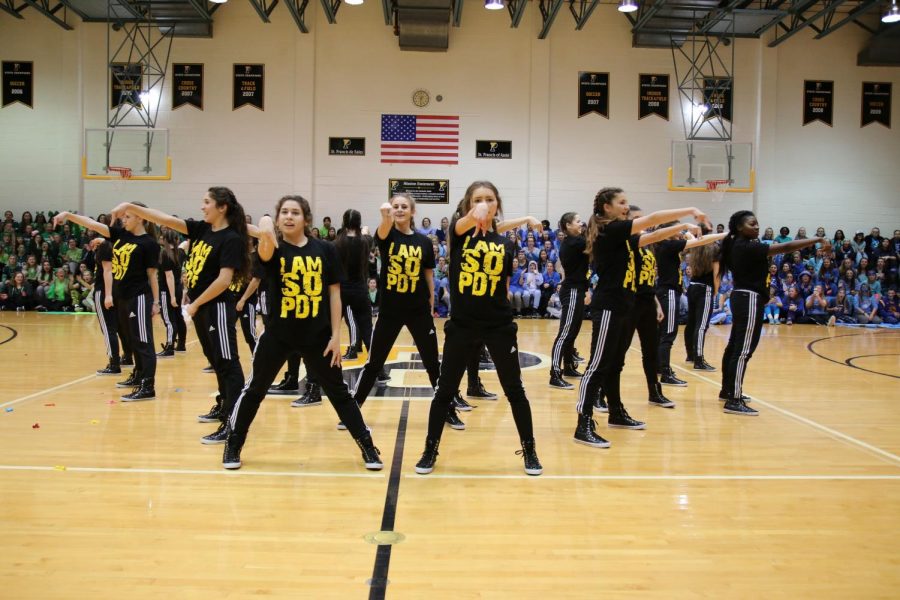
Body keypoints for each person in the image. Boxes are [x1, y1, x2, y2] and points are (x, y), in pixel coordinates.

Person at [223, 196, 382, 471]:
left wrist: (336, 336)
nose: (288, 216)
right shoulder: (272, 249)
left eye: (295, 212)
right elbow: (263, 240)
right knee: (254, 390)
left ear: (306, 219)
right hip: (277, 335)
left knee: (339, 393)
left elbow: (334, 294)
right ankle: (234, 443)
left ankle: (368, 446)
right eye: (283, 212)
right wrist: (263, 223)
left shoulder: (325, 249)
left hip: (317, 336)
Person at [414, 181, 543, 476]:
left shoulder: (506, 243)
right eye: (478, 199)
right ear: (468, 204)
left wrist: (521, 220)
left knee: (515, 390)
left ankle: (530, 450)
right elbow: (465, 223)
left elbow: (504, 281)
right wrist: (476, 214)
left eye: (489, 199)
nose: (484, 203)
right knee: (444, 390)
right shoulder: (458, 234)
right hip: (463, 325)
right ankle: (430, 448)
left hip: (499, 326)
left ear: (497, 204)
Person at [574, 188, 708, 448]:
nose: (626, 207)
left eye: (626, 203)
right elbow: (654, 220)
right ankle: (583, 423)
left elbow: (655, 234)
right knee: (598, 366)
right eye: (621, 202)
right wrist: (689, 211)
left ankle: (616, 412)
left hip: (624, 307)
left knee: (614, 365)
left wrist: (681, 227)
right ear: (606, 207)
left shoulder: (623, 237)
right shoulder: (609, 231)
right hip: (609, 307)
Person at [110, 188, 249, 436]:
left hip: (217, 307)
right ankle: (224, 405)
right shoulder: (202, 229)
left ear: (222, 207)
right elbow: (164, 219)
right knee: (216, 360)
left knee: (228, 363)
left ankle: (233, 421)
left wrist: (195, 304)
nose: (202, 206)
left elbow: (224, 280)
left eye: (207, 202)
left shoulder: (232, 239)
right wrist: (131, 206)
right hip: (202, 309)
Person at [351, 193, 465, 431]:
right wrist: (385, 215)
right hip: (390, 312)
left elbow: (429, 276)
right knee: (374, 363)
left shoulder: (424, 243)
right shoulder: (386, 235)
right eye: (395, 206)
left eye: (404, 206)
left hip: (418, 311)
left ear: (413, 212)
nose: (399, 209)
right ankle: (352, 410)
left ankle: (447, 411)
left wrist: (432, 304)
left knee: (433, 364)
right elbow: (382, 229)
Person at [718, 211, 830, 415]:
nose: (757, 227)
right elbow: (786, 247)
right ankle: (733, 400)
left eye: (757, 223)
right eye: (752, 224)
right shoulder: (748, 246)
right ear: (740, 227)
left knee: (734, 346)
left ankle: (728, 391)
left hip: (741, 297)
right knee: (743, 350)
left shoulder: (735, 244)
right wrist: (818, 239)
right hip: (749, 298)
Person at [54, 206, 160, 401]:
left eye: (128, 217)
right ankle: (138, 375)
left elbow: (152, 275)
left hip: (139, 297)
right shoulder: (121, 235)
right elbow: (93, 224)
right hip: (123, 298)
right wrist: (68, 215)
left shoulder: (149, 244)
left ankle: (148, 386)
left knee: (143, 342)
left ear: (141, 219)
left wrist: (156, 302)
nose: (123, 220)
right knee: (132, 339)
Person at [548, 212, 589, 388]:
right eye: (578, 221)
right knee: (565, 333)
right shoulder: (574, 242)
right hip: (572, 290)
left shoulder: (577, 241)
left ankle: (569, 367)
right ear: (568, 225)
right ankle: (555, 374)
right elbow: (596, 241)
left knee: (572, 332)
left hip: (578, 290)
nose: (581, 224)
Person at [684, 225, 726, 367]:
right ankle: (699, 359)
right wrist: (715, 291)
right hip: (705, 289)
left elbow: (687, 234)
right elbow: (716, 274)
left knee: (691, 323)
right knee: (701, 326)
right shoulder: (715, 249)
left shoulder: (695, 244)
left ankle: (690, 355)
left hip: (692, 287)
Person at [156, 229, 187, 358]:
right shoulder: (180, 252)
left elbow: (169, 276)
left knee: (169, 319)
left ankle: (169, 347)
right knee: (178, 316)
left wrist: (172, 296)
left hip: (168, 290)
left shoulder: (165, 254)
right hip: (178, 288)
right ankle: (181, 344)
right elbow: (186, 244)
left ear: (164, 240)